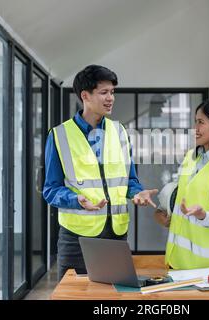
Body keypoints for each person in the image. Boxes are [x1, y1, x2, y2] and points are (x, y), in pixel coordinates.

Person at [43, 65, 158, 281]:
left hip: (115, 235)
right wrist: (76, 199)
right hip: (76, 239)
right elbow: (51, 189)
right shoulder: (59, 136)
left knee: (113, 296)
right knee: (73, 296)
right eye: (104, 92)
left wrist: (137, 192)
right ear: (85, 96)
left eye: (112, 92)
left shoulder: (120, 131)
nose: (111, 98)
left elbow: (129, 179)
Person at [155, 99, 209, 270]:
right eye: (195, 121)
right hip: (178, 263)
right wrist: (164, 211)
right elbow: (181, 196)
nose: (195, 128)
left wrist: (203, 215)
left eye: (201, 122)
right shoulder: (191, 158)